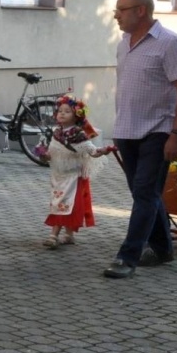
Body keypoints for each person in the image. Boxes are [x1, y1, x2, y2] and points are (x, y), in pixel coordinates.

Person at [104, 0, 177, 279]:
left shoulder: (170, 43)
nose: (116, 15)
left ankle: (127, 256)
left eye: (121, 9)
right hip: (127, 130)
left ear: (141, 11)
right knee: (144, 192)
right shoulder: (123, 43)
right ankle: (163, 248)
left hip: (158, 131)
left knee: (144, 192)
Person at [41, 96, 107, 247]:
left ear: (76, 115)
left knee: (63, 203)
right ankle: (69, 235)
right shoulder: (56, 133)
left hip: (73, 176)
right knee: (61, 202)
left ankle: (53, 235)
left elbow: (91, 150)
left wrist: (102, 151)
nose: (62, 114)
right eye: (60, 111)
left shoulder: (78, 134)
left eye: (67, 111)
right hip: (58, 175)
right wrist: (45, 156)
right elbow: (52, 152)